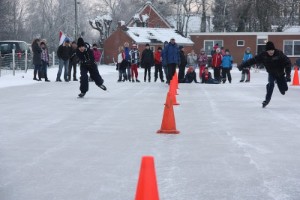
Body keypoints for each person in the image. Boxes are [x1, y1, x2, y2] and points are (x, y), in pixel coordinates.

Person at [238, 41, 291, 108]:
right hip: (271, 73)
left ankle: (280, 87)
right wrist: (242, 65)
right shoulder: (263, 55)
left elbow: (288, 63)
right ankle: (267, 100)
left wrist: (288, 75)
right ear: (266, 51)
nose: (271, 52)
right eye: (269, 51)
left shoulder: (279, 54)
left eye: (272, 50)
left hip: (280, 74)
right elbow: (252, 60)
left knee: (284, 89)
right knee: (271, 84)